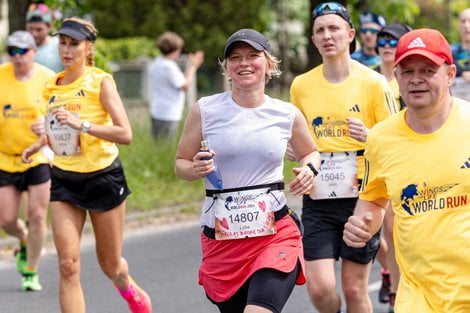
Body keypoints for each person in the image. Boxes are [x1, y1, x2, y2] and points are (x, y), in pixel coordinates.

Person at [175, 28, 320, 313]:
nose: (244, 63)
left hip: (275, 232)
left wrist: (309, 170)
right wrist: (195, 168)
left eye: (253, 56)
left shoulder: (286, 113)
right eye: (235, 57)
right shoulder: (205, 110)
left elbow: (310, 152)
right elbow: (180, 163)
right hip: (223, 238)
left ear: (268, 64)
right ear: (227, 67)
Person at [21, 17, 151, 313]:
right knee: (67, 264)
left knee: (110, 265)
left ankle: (127, 286)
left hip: (103, 177)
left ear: (88, 47)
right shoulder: (51, 87)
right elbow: (59, 132)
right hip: (65, 179)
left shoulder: (100, 81)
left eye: (74, 44)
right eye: (62, 43)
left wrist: (84, 125)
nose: (66, 50)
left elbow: (125, 134)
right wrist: (40, 143)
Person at [343, 28, 470, 313]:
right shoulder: (380, 138)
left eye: (427, 70)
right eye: (407, 70)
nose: (416, 79)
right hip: (418, 294)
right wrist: (362, 226)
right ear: (396, 75)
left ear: (449, 74)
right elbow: (374, 201)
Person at [289, 3, 398, 313]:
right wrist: (292, 150)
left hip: (363, 196)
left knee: (353, 288)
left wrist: (371, 137)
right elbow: (298, 139)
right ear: (313, 40)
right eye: (320, 30)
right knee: (320, 289)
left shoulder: (373, 83)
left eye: (334, 28)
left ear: (350, 34)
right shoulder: (301, 86)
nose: (327, 35)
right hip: (318, 197)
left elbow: (395, 141)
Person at [0, 31, 54, 292]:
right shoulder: (0, 76)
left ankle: (31, 271)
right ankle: (23, 240)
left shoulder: (47, 78)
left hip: (38, 156)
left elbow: (60, 116)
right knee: (6, 219)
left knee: (37, 214)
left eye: (23, 51)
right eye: (12, 51)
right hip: (5, 157)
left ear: (34, 51)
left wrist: (47, 125)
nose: (17, 56)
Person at [375, 22, 412, 313]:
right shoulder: (369, 79)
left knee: (396, 227)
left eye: (393, 41)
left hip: (410, 158)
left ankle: (400, 289)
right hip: (375, 162)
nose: (386, 46)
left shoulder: (410, 78)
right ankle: (393, 282)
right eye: (382, 40)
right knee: (383, 228)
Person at [148, 31, 204, 141]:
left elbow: (181, 80)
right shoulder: (169, 66)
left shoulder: (157, 63)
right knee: (166, 147)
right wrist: (193, 66)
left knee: (158, 146)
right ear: (176, 49)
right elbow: (185, 85)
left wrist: (190, 66)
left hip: (157, 111)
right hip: (168, 113)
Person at [25, 2, 63, 73]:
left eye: (39, 29)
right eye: (31, 29)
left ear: (49, 27)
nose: (34, 34)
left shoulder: (60, 46)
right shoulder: (22, 47)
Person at [451, 8, 470, 81]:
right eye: (463, 21)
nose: (466, 25)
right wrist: (462, 73)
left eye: (469, 21)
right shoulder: (450, 51)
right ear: (459, 26)